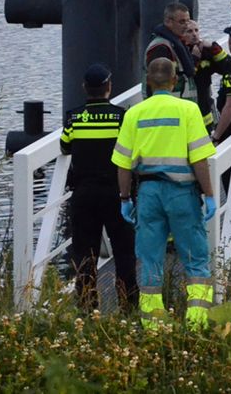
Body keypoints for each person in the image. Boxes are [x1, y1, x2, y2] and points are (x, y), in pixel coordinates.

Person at [112, 58, 218, 329]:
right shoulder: (188, 110)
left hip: (148, 192)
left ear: (148, 81)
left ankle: (152, 328)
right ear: (175, 81)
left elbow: (123, 164)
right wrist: (209, 194)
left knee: (149, 260)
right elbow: (199, 160)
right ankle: (196, 323)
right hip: (182, 192)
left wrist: (124, 198)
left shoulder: (134, 113)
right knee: (195, 261)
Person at [60, 64, 138, 314]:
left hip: (84, 193)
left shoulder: (73, 116)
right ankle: (128, 307)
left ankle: (87, 308)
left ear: (84, 88)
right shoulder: (121, 116)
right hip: (117, 192)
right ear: (109, 87)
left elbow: (65, 146)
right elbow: (130, 148)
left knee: (85, 253)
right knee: (124, 251)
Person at [144, 2, 197, 102]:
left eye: (188, 21)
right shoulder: (161, 47)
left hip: (178, 106)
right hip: (166, 108)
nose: (186, 26)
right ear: (168, 21)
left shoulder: (176, 44)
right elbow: (156, 83)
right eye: (182, 22)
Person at [182, 19, 229, 131]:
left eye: (196, 30)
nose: (194, 34)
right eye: (189, 31)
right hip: (186, 106)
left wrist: (214, 48)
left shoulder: (205, 51)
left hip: (205, 108)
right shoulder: (181, 53)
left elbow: (228, 68)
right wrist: (194, 58)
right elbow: (186, 76)